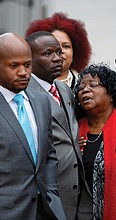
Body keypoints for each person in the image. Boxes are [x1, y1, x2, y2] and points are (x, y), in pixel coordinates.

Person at [25, 31, 92, 220]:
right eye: (48, 54)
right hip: (47, 194)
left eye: (58, 52)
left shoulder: (63, 88)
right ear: (29, 59)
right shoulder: (25, 93)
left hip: (76, 189)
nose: (57, 58)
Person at [0, 32, 66, 220]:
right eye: (14, 66)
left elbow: (49, 155)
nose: (23, 72)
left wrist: (51, 192)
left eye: (27, 65)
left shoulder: (41, 101)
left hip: (46, 210)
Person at [74, 63, 116, 220]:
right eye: (81, 87)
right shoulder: (74, 129)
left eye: (93, 85)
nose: (85, 90)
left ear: (111, 93)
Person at [25, 12, 92, 90]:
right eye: (49, 51)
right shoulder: (25, 86)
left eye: (66, 46)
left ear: (75, 52)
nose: (59, 52)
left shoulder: (83, 86)